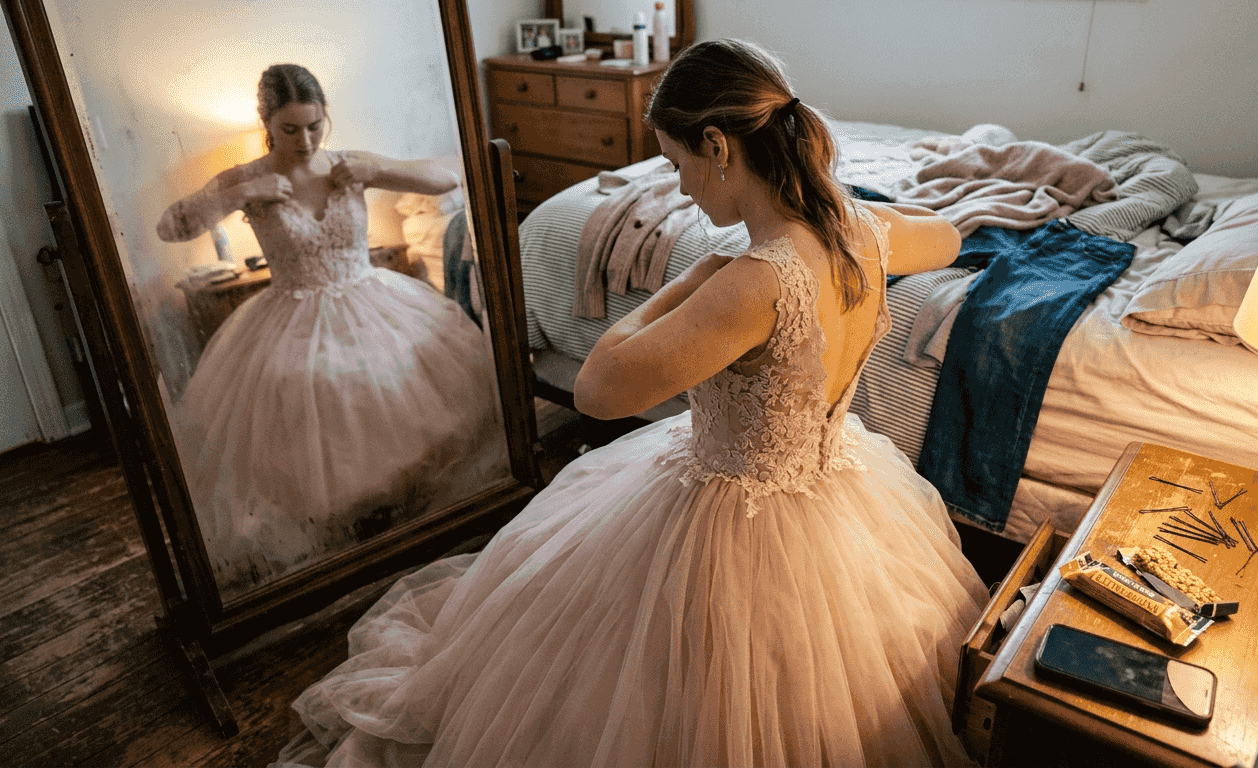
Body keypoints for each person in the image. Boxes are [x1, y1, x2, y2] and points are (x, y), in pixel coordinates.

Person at [275, 40, 985, 767]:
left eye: (678, 165)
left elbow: (598, 389)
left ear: (719, 145)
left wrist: (688, 282)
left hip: (733, 525)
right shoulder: (866, 236)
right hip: (841, 492)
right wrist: (841, 207)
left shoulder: (752, 282)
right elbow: (950, 232)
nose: (680, 191)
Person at [159, 63, 508, 593]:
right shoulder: (246, 179)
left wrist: (370, 174)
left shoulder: (349, 164)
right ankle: (343, 524)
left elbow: (447, 176)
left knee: (399, 376)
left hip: (372, 296)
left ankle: (397, 505)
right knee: (306, 386)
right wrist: (237, 195)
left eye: (315, 126)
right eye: (291, 129)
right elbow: (171, 226)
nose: (305, 140)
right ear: (267, 124)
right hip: (291, 308)